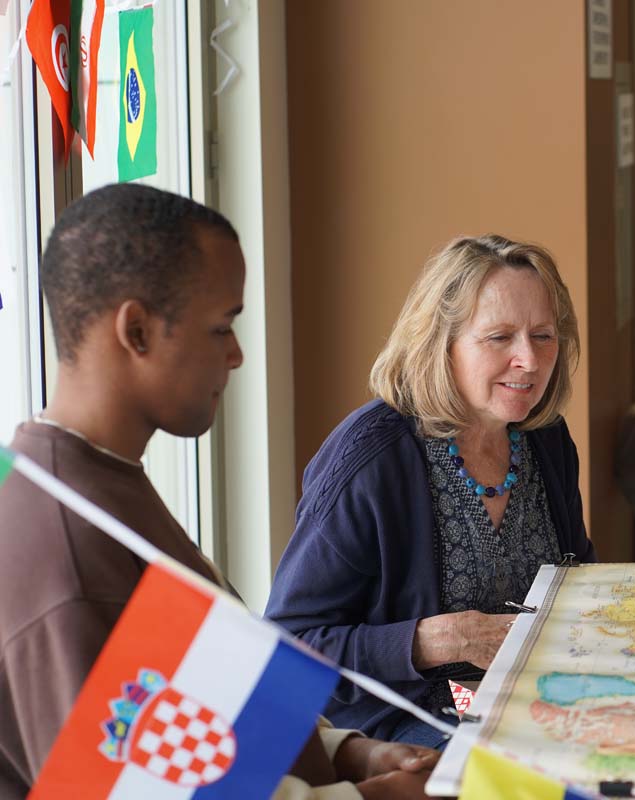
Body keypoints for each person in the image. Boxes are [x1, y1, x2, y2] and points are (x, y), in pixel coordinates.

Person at [0, 184, 439, 799]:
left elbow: (179, 711)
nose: (234, 355)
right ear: (138, 331)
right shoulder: (64, 547)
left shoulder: (96, 477)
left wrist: (348, 754)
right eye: (221, 327)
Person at [265, 234, 596, 746]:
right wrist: (431, 640)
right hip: (406, 726)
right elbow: (289, 644)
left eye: (544, 336)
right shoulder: (370, 458)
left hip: (534, 700)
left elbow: (578, 579)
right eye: (499, 337)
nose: (529, 360)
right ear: (441, 345)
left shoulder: (544, 437)